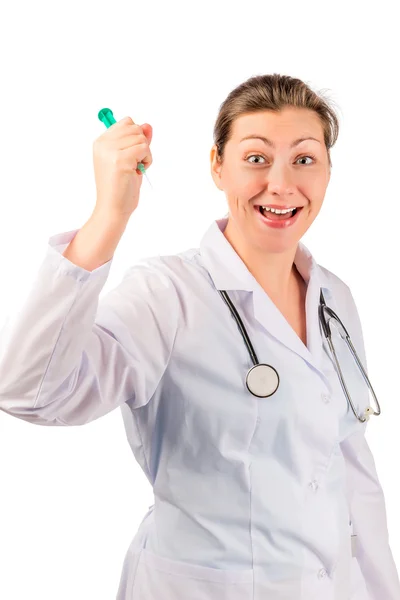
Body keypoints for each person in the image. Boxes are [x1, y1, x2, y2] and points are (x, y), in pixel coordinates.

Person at [0, 73, 398, 600]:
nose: (281, 183)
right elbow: (31, 393)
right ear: (217, 165)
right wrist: (109, 217)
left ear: (326, 171)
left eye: (304, 159)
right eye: (256, 158)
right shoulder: (168, 293)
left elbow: (353, 468)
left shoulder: (334, 299)